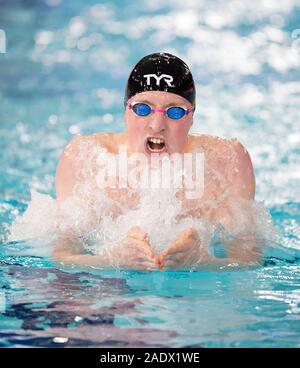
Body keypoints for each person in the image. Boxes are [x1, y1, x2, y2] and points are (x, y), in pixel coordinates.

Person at [53, 52, 260, 271]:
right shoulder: (86, 158)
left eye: (175, 111)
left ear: (191, 118)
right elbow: (61, 257)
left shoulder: (226, 161)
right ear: (126, 112)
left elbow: (249, 260)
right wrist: (111, 260)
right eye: (143, 109)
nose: (157, 124)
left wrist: (203, 261)